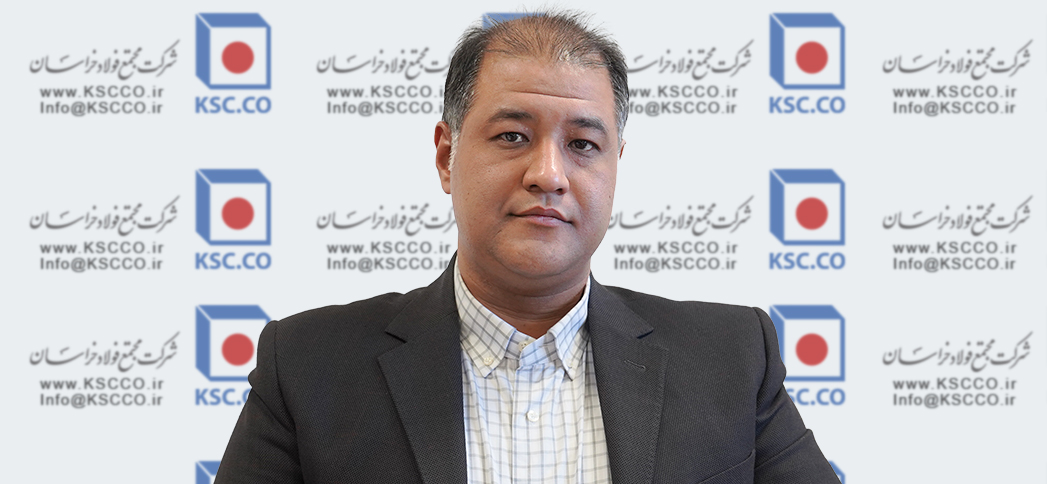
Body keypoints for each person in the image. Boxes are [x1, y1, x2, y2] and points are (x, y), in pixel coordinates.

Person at [216, 11, 839, 484]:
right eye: (513, 136)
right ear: (446, 156)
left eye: (583, 145)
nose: (548, 174)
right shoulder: (308, 366)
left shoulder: (733, 358)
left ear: (616, 166)